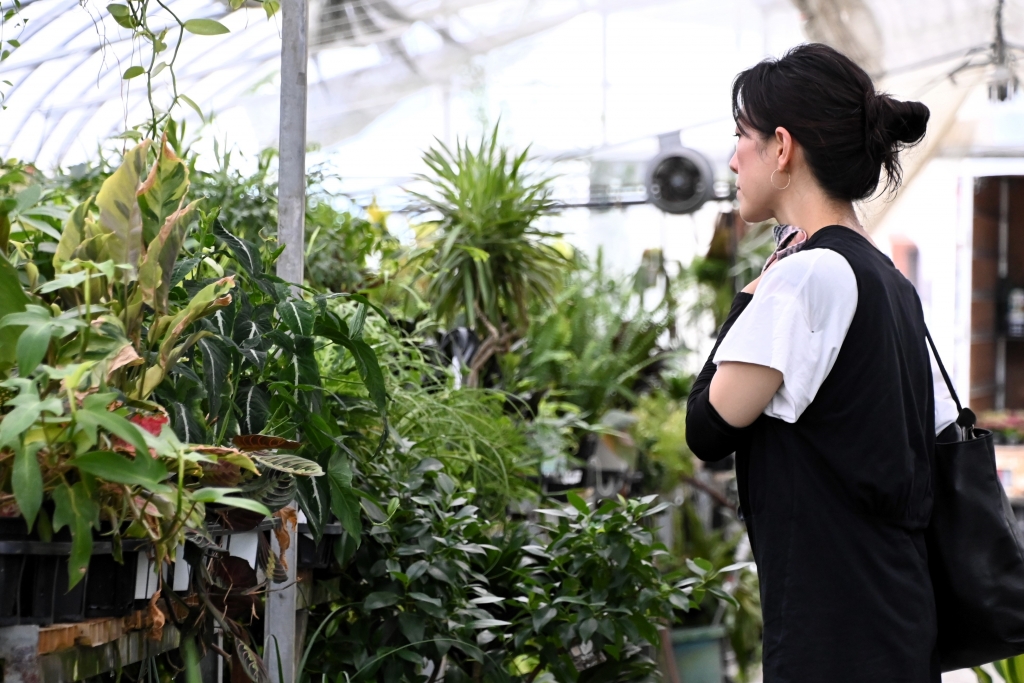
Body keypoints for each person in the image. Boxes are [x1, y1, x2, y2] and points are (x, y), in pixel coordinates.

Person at [685, 43, 960, 683]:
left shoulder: (803, 279)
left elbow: (706, 428)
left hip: (835, 631)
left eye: (740, 137)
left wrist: (747, 299)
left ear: (782, 149)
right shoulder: (885, 276)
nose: (731, 159)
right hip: (899, 614)